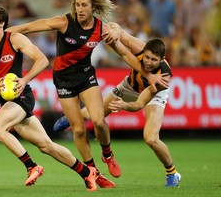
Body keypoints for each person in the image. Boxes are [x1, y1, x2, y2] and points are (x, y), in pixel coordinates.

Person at [6, 0, 169, 188]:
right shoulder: (64, 22)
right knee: (79, 130)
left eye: (84, 5)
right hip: (64, 81)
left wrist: (149, 76)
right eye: (77, 4)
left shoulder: (100, 29)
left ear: (93, 7)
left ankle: (107, 154)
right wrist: (3, 33)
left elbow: (125, 54)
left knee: (99, 121)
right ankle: (93, 171)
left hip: (86, 78)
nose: (80, 8)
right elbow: (29, 27)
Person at [0, 4, 97, 191]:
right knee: (47, 146)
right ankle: (88, 173)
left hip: (22, 96)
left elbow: (43, 60)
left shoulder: (14, 39)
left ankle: (31, 166)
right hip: (6, 101)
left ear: (2, 24)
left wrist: (24, 79)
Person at [54, 34, 182, 187]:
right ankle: (73, 117)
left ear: (162, 59)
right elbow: (122, 36)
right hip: (129, 86)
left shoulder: (163, 78)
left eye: (154, 60)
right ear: (144, 51)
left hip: (152, 94)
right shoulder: (139, 47)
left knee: (151, 138)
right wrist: (114, 28)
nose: (148, 62)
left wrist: (124, 105)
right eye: (147, 57)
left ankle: (172, 173)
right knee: (96, 115)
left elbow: (139, 104)